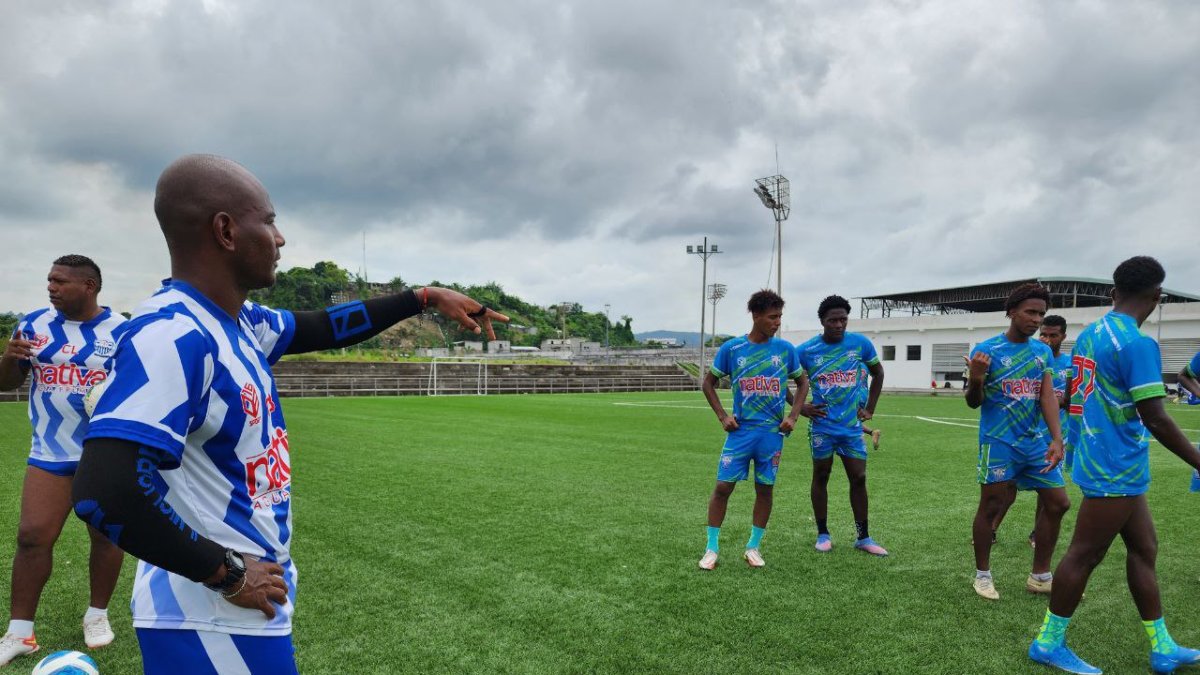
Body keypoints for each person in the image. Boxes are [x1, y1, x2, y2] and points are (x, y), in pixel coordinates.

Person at [68, 154, 508, 674]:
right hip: (209, 615)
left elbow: (326, 326)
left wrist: (424, 297)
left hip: (236, 608)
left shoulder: (239, 322)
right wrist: (227, 574)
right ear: (226, 231)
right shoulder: (172, 335)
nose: (280, 239)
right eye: (270, 221)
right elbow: (105, 491)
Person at [1029, 257, 1200, 675]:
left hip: (1099, 455)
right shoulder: (1138, 343)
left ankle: (1162, 646)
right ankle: (1047, 643)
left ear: (1113, 293)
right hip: (1114, 464)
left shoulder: (1092, 333)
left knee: (1144, 549)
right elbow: (1156, 416)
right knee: (1085, 554)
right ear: (1157, 297)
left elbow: (1076, 395)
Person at [0, 255, 126, 667]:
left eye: (60, 281)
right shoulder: (33, 324)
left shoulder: (122, 330)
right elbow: (7, 383)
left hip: (103, 451)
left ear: (89, 286)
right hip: (49, 451)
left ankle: (97, 614)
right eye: (49, 280)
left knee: (105, 536)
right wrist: (8, 359)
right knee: (32, 536)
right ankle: (19, 632)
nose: (51, 287)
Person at [965, 283, 1067, 601]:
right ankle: (983, 576)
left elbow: (1046, 397)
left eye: (1040, 313)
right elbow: (972, 401)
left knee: (1058, 503)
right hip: (998, 442)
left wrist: (1057, 439)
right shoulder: (986, 351)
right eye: (1030, 312)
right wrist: (978, 378)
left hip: (1035, 442)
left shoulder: (1041, 352)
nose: (1036, 320)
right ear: (1011, 312)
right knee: (992, 505)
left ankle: (1040, 576)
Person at [698, 289, 806, 570]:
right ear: (756, 316)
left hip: (772, 434)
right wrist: (722, 416)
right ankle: (711, 548)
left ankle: (753, 547)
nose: (777, 322)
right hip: (741, 433)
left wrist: (793, 416)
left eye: (780, 316)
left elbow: (802, 383)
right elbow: (708, 383)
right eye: (772, 317)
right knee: (723, 488)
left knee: (765, 489)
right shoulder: (732, 349)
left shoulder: (785, 351)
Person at [794, 295, 887, 556]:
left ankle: (863, 537)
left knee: (858, 477)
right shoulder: (807, 350)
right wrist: (801, 408)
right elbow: (783, 380)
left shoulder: (860, 344)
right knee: (821, 476)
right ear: (822, 321)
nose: (838, 324)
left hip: (851, 427)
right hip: (822, 426)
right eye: (832, 320)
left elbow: (878, 373)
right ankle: (823, 533)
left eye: (843, 319)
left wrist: (869, 408)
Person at [991, 315, 1072, 549]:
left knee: (1047, 490)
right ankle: (992, 528)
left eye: (1053, 335)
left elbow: (1073, 399)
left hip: (1055, 434)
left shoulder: (1069, 364)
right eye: (1043, 334)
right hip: (1026, 432)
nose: (1046, 339)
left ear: (1063, 337)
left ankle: (1038, 533)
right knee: (1008, 486)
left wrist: (1062, 399)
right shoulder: (1033, 357)